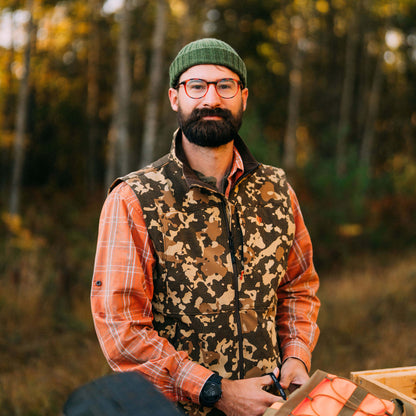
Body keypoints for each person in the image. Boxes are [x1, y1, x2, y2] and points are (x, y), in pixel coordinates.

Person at [91, 38, 320, 416]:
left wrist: (297, 356)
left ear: (243, 97)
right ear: (174, 98)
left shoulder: (277, 190)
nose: (210, 99)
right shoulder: (135, 198)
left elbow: (299, 287)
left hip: (271, 408)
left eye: (225, 85)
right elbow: (122, 329)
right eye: (196, 86)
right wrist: (217, 391)